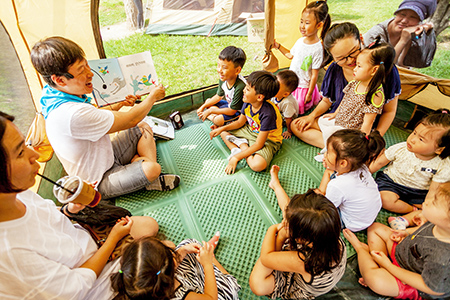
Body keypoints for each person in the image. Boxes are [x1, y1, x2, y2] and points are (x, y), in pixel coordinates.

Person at [0, 111, 159, 299]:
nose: (34, 154)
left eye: (26, 145)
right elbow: (76, 287)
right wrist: (112, 240)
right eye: (20, 152)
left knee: (150, 226)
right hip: (94, 285)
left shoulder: (19, 193)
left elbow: (48, 219)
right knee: (163, 255)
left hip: (88, 240)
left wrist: (70, 209)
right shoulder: (10, 253)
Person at [30, 36, 180, 200]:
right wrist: (152, 97)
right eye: (81, 70)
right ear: (59, 79)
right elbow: (130, 120)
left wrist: (119, 104)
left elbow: (95, 113)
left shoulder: (54, 93)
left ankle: (140, 167)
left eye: (86, 64)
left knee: (143, 128)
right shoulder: (71, 114)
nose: (90, 74)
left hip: (108, 155)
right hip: (98, 181)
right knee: (153, 169)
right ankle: (146, 174)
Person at [291, 22, 401, 149]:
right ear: (332, 57)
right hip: (339, 119)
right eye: (341, 58)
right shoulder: (334, 70)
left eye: (353, 52)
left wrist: (375, 138)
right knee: (297, 125)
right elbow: (327, 101)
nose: (350, 61)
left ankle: (342, 148)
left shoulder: (385, 69)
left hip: (363, 128)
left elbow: (389, 111)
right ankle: (340, 148)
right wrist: (311, 116)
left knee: (356, 142)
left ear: (360, 39)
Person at [343, 181, 450, 299]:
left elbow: (430, 287)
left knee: (374, 279)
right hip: (404, 251)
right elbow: (424, 234)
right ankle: (380, 265)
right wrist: (406, 233)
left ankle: (362, 250)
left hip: (410, 282)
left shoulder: (443, 259)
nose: (427, 201)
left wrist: (389, 266)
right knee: (375, 228)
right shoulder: (439, 224)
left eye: (434, 202)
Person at [249, 185, 346, 299]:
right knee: (296, 213)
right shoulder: (328, 232)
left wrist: (276, 232)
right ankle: (276, 185)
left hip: (301, 286)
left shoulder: (304, 261)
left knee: (257, 284)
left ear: (302, 239)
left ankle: (276, 186)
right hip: (322, 275)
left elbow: (266, 259)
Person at [316, 41, 395, 156]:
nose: (354, 69)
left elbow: (368, 123)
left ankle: (331, 152)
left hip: (351, 131)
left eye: (359, 66)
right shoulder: (355, 83)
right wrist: (335, 113)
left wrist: (360, 143)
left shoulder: (376, 95)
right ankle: (337, 147)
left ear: (374, 70)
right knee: (322, 120)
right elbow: (344, 100)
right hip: (340, 121)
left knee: (329, 132)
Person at [370, 109, 450, 214]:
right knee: (385, 200)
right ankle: (412, 210)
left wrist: (428, 204)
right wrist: (362, 174)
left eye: (421, 139)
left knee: (438, 207)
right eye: (414, 133)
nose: (412, 139)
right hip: (392, 182)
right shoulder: (401, 148)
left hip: (419, 192)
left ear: (440, 149)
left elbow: (434, 189)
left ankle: (414, 212)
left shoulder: (443, 164)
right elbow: (379, 163)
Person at [111, 236, 240, 300]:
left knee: (187, 245)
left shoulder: (133, 285)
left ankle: (205, 257)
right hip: (204, 295)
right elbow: (211, 298)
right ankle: (212, 259)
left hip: (175, 282)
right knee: (230, 287)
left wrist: (182, 251)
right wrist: (207, 264)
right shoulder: (182, 296)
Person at [209, 70, 282, 174]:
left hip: (268, 140)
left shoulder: (268, 114)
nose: (243, 90)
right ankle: (238, 148)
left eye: (247, 89)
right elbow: (239, 123)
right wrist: (222, 128)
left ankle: (241, 146)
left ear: (260, 97)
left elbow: (258, 145)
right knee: (221, 132)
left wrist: (236, 158)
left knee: (257, 165)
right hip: (250, 130)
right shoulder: (248, 101)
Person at [317, 129, 385, 232]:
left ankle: (320, 194)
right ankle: (321, 192)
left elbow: (326, 209)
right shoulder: (362, 167)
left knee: (317, 213)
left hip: (351, 222)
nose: (325, 155)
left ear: (343, 163)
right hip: (368, 215)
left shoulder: (337, 185)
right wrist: (331, 165)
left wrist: (320, 200)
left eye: (328, 153)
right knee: (329, 171)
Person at [273, 1, 330, 115]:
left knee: (295, 108)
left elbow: (314, 75)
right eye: (301, 21)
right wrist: (278, 46)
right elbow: (290, 55)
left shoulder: (317, 48)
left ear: (319, 25)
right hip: (291, 82)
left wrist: (309, 94)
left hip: (303, 87)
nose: (302, 26)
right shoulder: (300, 41)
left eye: (307, 23)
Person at [363, 0, 437, 67]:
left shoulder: (414, 32)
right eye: (402, 14)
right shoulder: (375, 35)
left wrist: (412, 39)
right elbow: (383, 68)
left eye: (413, 17)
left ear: (419, 22)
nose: (404, 20)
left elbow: (404, 65)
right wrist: (403, 41)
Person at [197, 46, 247, 127]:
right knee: (208, 101)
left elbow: (232, 111)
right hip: (229, 105)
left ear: (237, 70)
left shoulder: (240, 86)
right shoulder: (224, 78)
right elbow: (218, 97)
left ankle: (213, 117)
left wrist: (211, 111)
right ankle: (213, 115)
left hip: (238, 112)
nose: (219, 70)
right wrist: (203, 106)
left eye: (224, 67)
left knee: (218, 120)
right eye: (218, 65)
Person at [270, 70, 299, 139]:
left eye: (276, 87)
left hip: (287, 119)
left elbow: (288, 119)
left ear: (285, 94)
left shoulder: (287, 102)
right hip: (280, 114)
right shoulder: (276, 95)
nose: (273, 86)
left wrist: (289, 131)